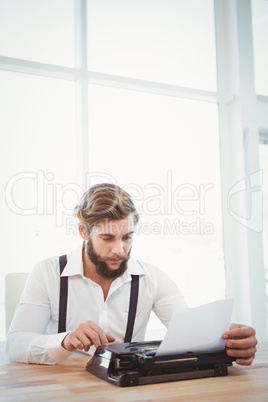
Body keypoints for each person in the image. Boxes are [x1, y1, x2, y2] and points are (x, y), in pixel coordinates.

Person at [6, 183, 257, 365]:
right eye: (107, 238)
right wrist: (64, 341)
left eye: (127, 237)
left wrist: (229, 344)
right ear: (83, 232)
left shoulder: (153, 279)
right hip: (60, 390)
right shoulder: (47, 272)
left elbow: (194, 337)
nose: (120, 250)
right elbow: (16, 346)